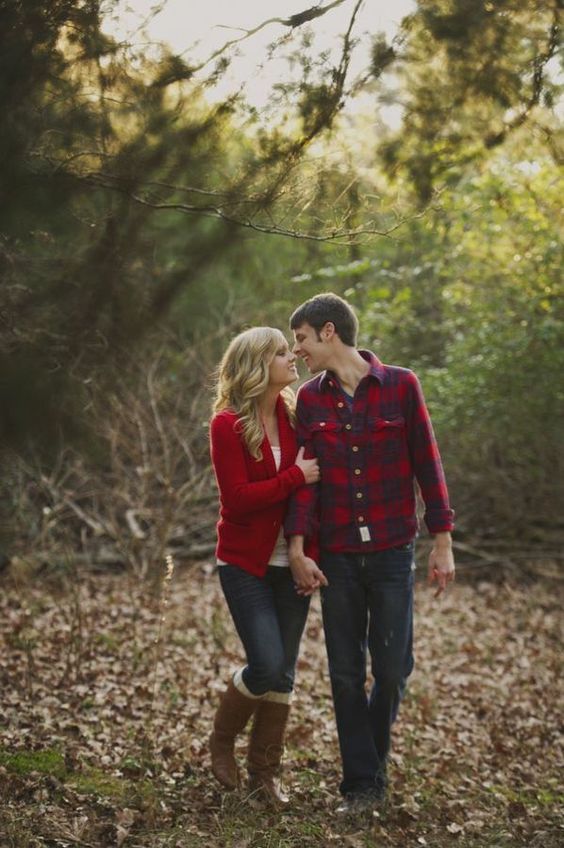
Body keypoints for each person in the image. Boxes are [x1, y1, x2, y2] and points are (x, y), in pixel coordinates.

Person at [284, 293, 455, 815]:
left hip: (391, 551)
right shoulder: (310, 400)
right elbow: (305, 483)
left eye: (302, 340)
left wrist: (442, 540)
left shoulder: (402, 385)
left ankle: (370, 763)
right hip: (335, 554)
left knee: (394, 667)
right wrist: (296, 547)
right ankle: (361, 784)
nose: (298, 353)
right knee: (343, 671)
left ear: (329, 331)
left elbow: (428, 461)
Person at [208, 326, 320, 806]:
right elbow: (236, 500)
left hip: (289, 562)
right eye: (280, 352)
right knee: (267, 663)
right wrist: (294, 475)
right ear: (257, 364)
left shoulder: (296, 415)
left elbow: (310, 494)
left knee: (285, 673)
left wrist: (303, 549)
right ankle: (220, 738)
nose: (291, 356)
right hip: (244, 563)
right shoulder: (227, 424)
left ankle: (264, 777)